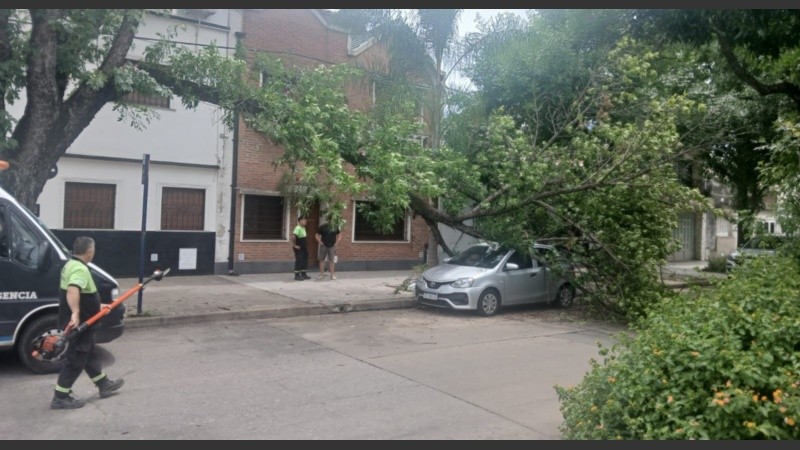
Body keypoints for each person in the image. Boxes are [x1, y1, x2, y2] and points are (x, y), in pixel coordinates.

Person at [51, 236, 124, 410]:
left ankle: (103, 384)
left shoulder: (70, 264)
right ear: (90, 251)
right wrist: (76, 313)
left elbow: (82, 295)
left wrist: (97, 306)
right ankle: (60, 397)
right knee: (76, 358)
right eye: (94, 249)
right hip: (80, 323)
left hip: (82, 321)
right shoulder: (80, 269)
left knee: (89, 353)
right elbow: (73, 290)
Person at [315, 215, 342, 280]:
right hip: (324, 246)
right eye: (330, 219)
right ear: (327, 220)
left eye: (332, 220)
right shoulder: (322, 227)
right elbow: (316, 235)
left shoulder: (335, 227)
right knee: (321, 260)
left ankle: (332, 275)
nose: (331, 221)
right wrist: (320, 242)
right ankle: (321, 275)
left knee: (332, 260)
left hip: (332, 246)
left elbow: (340, 236)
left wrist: (336, 243)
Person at [291, 216, 310, 281]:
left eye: (305, 220)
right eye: (304, 220)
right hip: (299, 248)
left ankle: (303, 274)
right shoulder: (297, 228)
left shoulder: (303, 228)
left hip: (304, 248)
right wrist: (295, 245)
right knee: (299, 260)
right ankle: (297, 276)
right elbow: (293, 236)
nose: (305, 221)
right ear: (300, 221)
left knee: (304, 260)